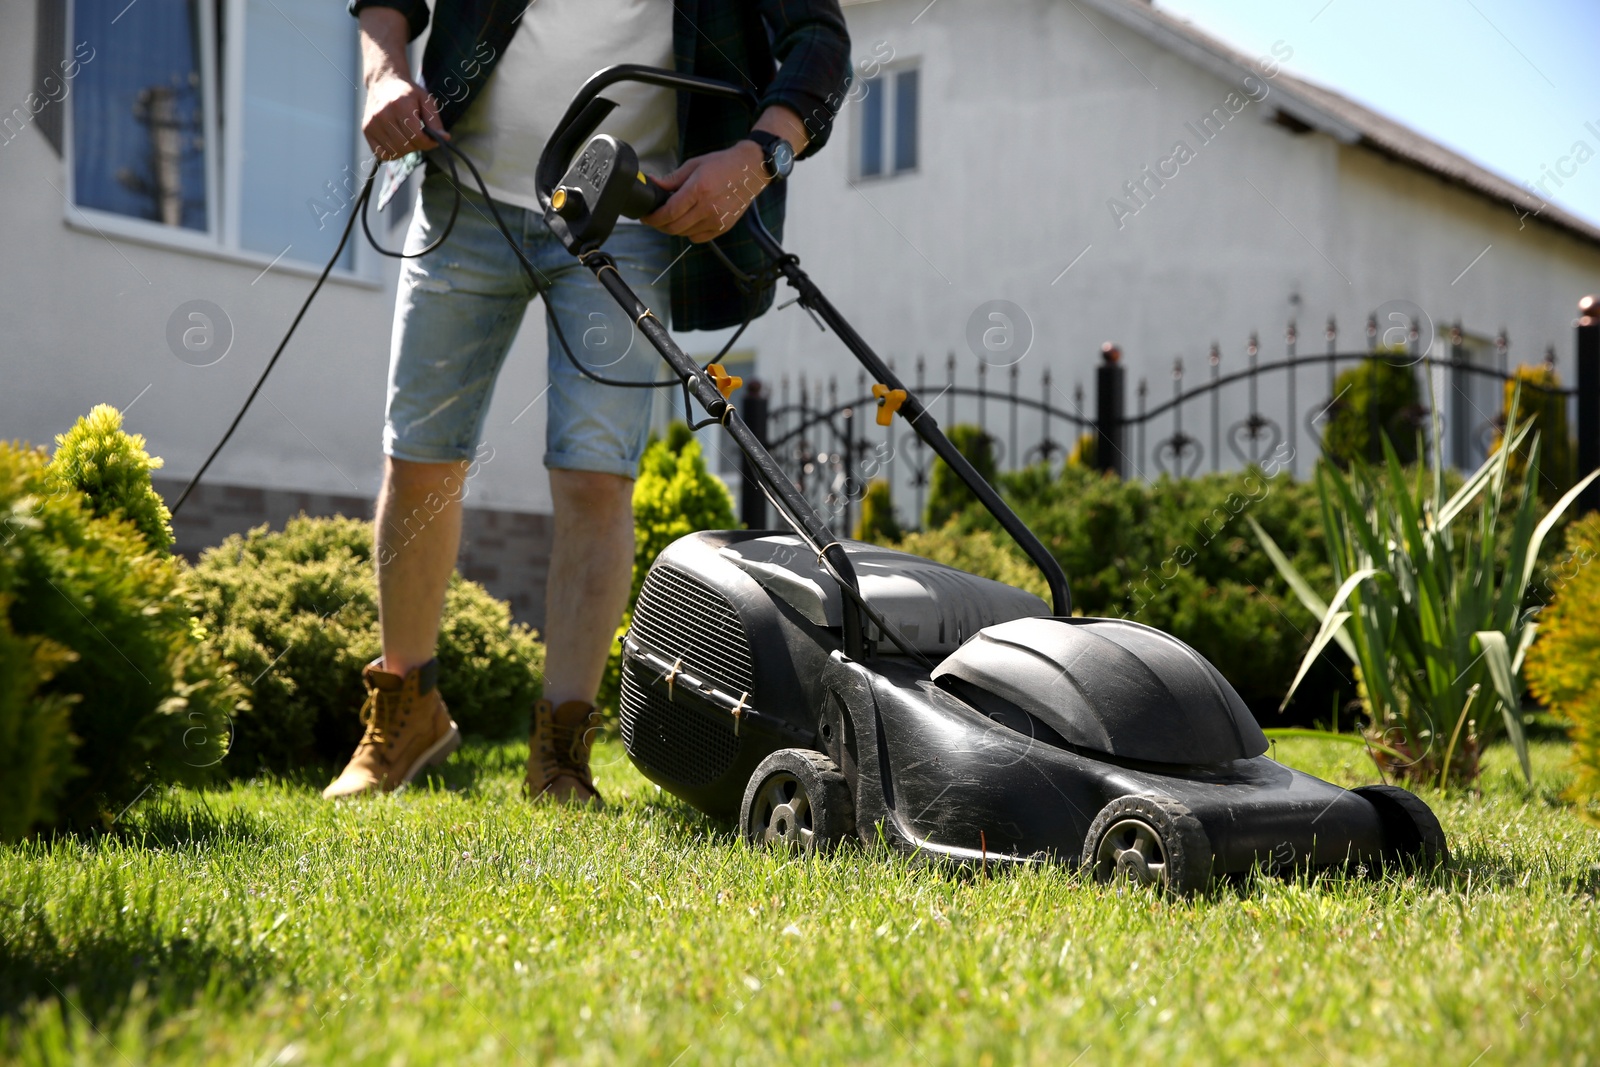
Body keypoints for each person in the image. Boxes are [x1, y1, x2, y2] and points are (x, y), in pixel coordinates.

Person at [321, 1, 851, 805]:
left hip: (625, 215)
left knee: (595, 478)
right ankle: (406, 709)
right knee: (420, 458)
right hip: (463, 192)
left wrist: (758, 154)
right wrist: (384, 73)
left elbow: (820, 41)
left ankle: (561, 749)